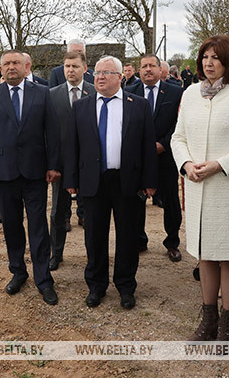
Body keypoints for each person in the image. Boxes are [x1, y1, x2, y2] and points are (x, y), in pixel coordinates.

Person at [172, 35, 229, 341]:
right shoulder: (190, 94)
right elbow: (178, 138)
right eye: (204, 57)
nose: (208, 63)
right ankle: (208, 318)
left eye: (215, 57)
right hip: (199, 187)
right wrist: (186, 164)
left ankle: (227, 321)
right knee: (205, 254)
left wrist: (219, 165)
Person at [65, 55, 157, 309]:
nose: (100, 77)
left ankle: (126, 286)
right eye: (97, 73)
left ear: (120, 77)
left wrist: (150, 181)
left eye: (106, 73)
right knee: (94, 236)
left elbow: (147, 146)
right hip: (93, 182)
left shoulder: (138, 105)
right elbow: (72, 145)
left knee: (127, 237)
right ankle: (96, 286)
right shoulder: (81, 106)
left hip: (127, 181)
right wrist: (72, 179)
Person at [0, 50, 61, 305]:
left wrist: (53, 165)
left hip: (35, 172)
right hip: (4, 173)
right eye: (6, 64)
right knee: (11, 226)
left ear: (26, 67)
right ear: (0, 70)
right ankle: (18, 273)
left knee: (38, 228)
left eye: (16, 63)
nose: (11, 67)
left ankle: (44, 280)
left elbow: (53, 132)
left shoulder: (42, 93)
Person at [124, 54, 183, 261]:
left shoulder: (176, 92)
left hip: (165, 156)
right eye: (144, 66)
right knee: (137, 201)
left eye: (152, 66)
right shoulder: (129, 92)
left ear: (160, 69)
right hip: (138, 158)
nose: (147, 70)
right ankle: (140, 240)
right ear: (139, 71)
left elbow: (180, 123)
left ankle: (172, 242)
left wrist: (163, 144)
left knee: (171, 202)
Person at [47, 49, 94, 270]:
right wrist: (52, 165)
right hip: (61, 165)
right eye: (67, 66)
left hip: (88, 165)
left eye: (75, 66)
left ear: (85, 68)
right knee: (57, 212)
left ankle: (92, 256)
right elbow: (48, 133)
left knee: (92, 213)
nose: (70, 70)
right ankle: (56, 254)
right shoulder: (52, 94)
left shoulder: (95, 93)